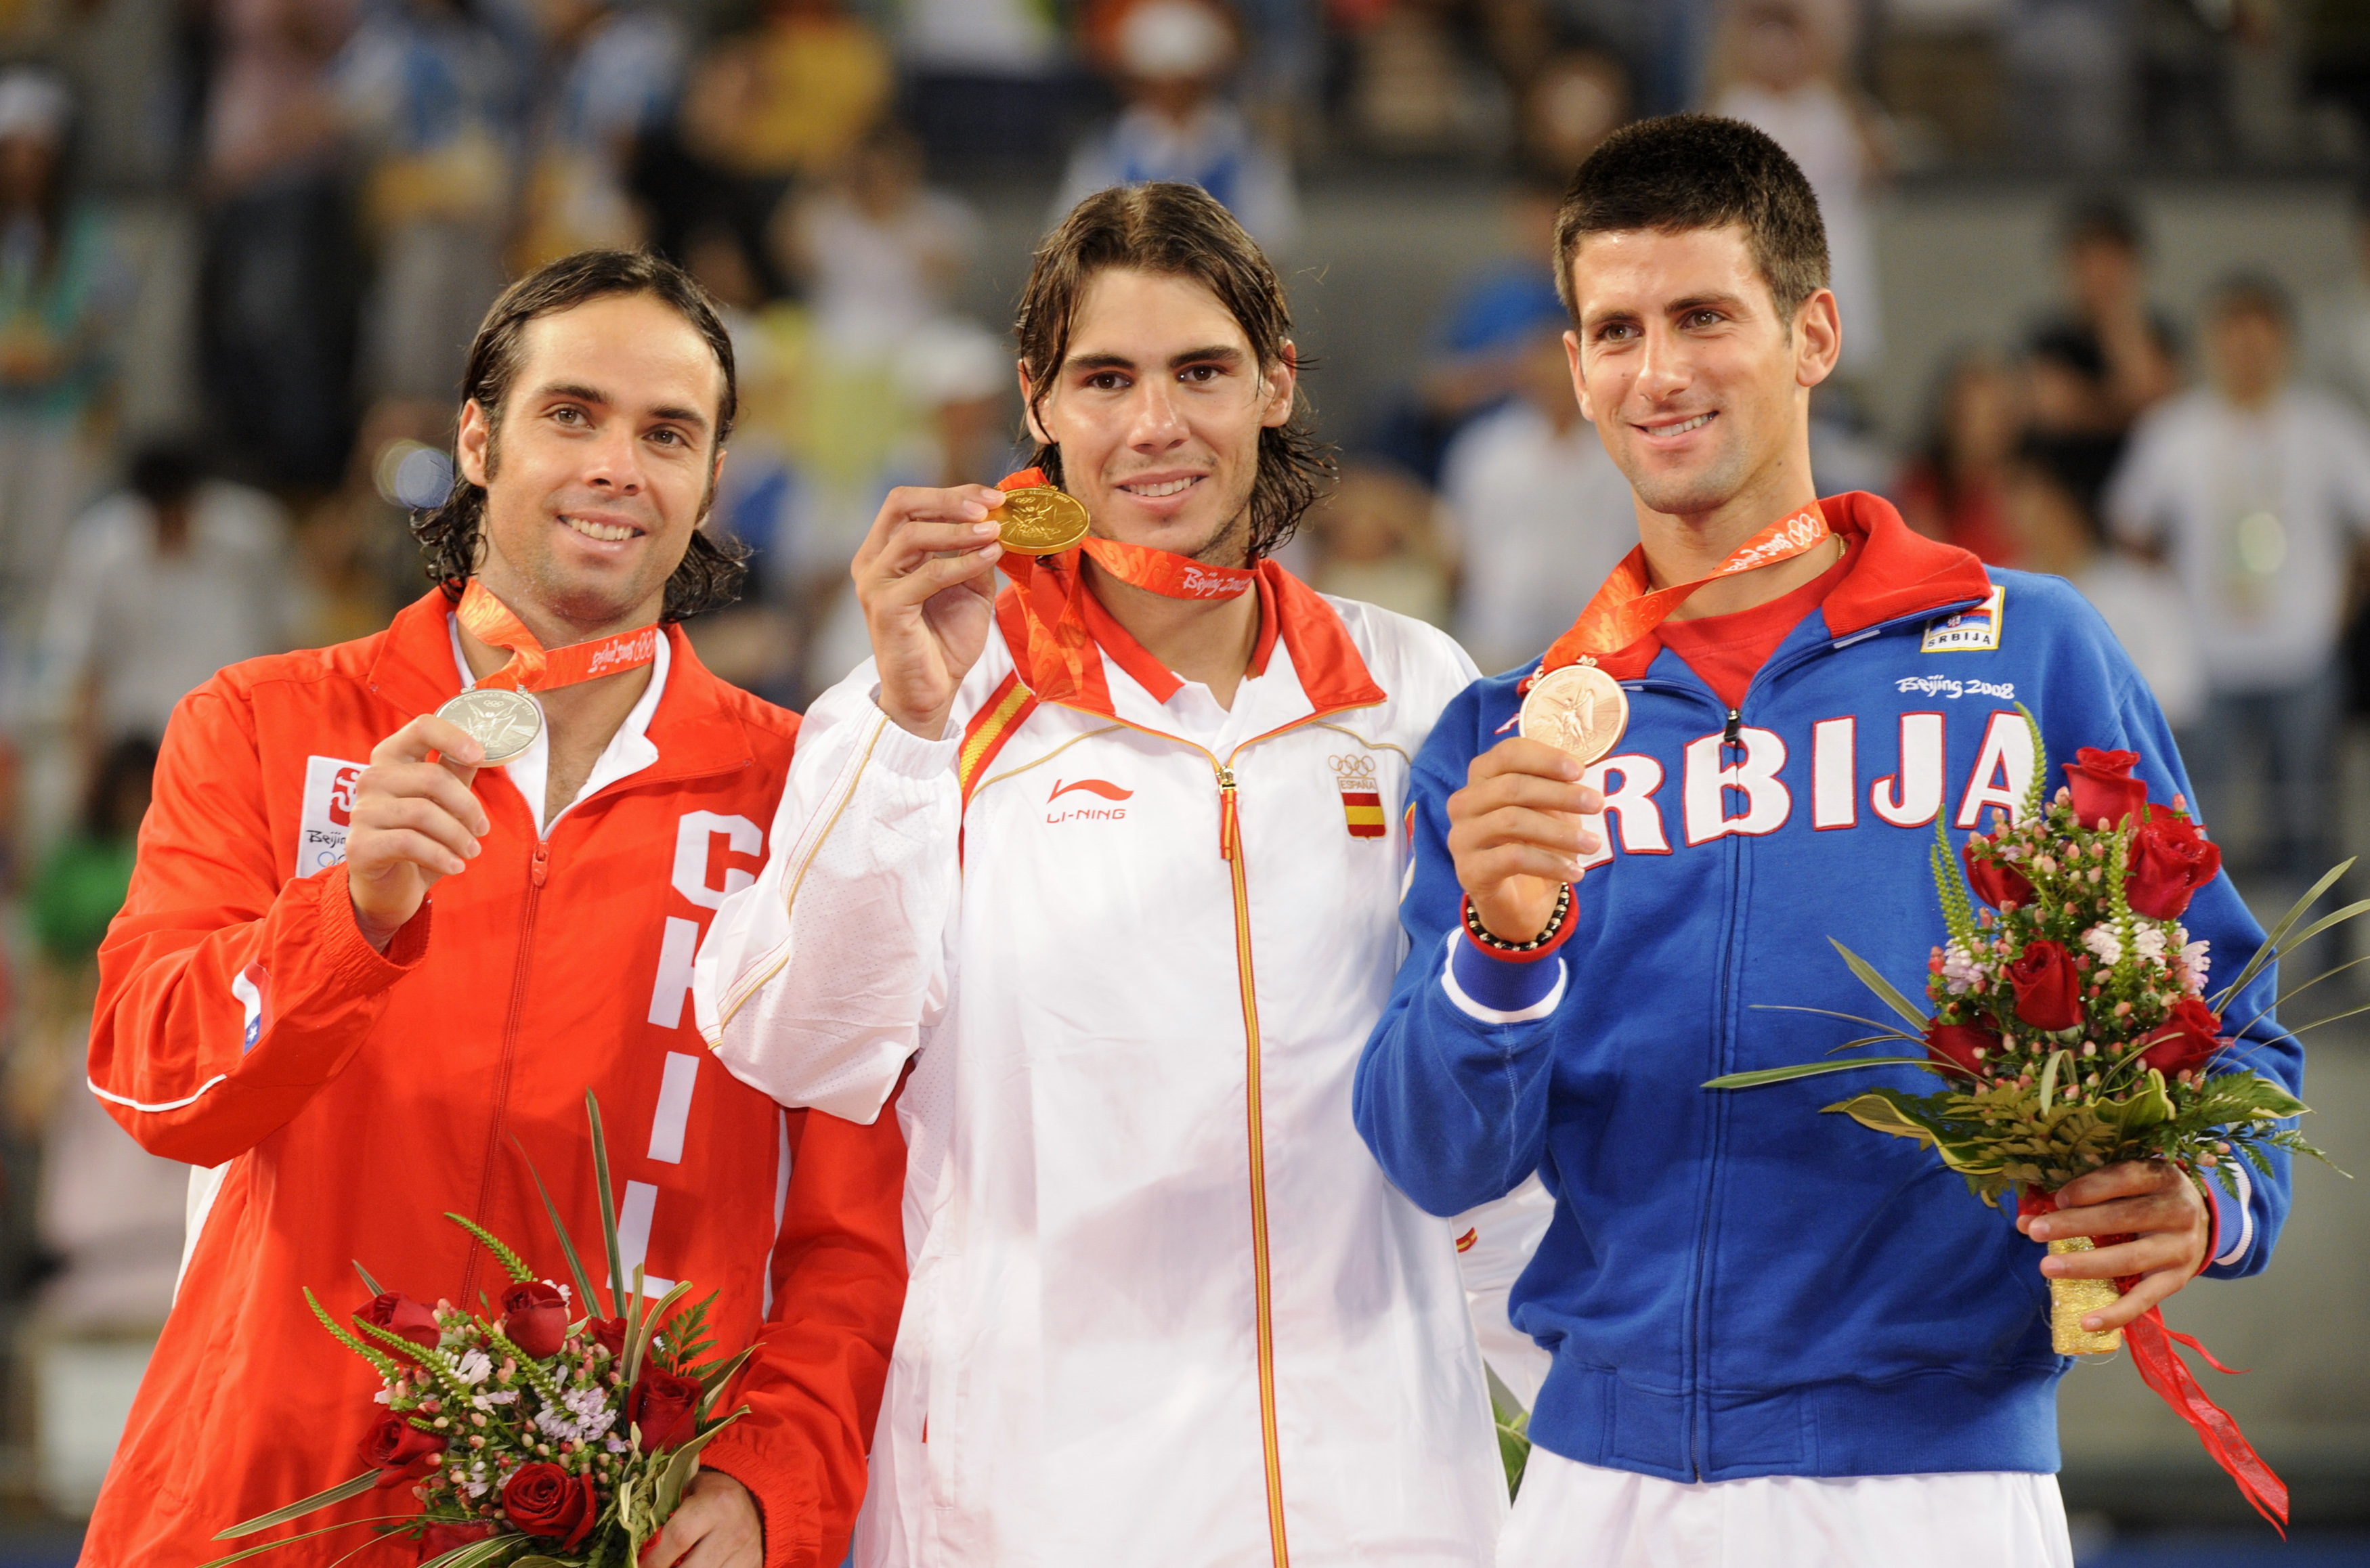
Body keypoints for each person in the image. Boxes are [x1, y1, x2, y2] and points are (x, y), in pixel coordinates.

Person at [1353, 115, 2297, 1568]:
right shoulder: (1513, 738)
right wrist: (1500, 946)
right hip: (1605, 1486)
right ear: (1573, 368)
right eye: (1615, 330)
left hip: (1940, 1482)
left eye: (1702, 317)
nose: (1655, 372)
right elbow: (1432, 1153)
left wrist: (2202, 1202)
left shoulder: (2024, 653)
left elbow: (2236, 1031)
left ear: (1813, 332)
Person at [693, 182, 1509, 1565]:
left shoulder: (1412, 691)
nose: (1153, 426)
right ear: (1037, 400)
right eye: (1105, 378)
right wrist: (901, 730)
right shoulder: (929, 698)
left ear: (1275, 382)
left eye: (1200, 371)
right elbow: (796, 1041)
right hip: (1043, 1490)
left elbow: (1485, 1098)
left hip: (1378, 1478)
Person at [81, 251, 909, 1567]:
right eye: (570, 414)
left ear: (709, 481)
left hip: (605, 1528)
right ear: (477, 438)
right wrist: (346, 912)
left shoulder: (804, 798)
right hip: (259, 1507)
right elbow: (150, 1084)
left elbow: (852, 1240)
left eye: (666, 434)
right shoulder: (262, 726)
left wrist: (767, 1484)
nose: (615, 468)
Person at [2105, 272, 2370, 884]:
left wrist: (2344, 606)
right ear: (2212, 343)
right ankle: (2210, 966)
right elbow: (2129, 523)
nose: (2247, 352)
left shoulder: (2326, 426)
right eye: (2233, 337)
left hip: (2304, 652)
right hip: (2207, 656)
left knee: (2309, 820)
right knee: (2199, 824)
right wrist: (2169, 600)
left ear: (2284, 343)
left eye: (2260, 337)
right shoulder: (2175, 429)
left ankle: (2327, 964)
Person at [38, 444, 299, 756]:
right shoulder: (98, 548)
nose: (169, 524)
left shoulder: (253, 534)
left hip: (235, 727)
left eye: (177, 512)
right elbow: (84, 659)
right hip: (137, 739)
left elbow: (288, 636)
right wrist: (87, 754)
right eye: (159, 515)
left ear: (196, 499)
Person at [1438, 296, 1637, 675]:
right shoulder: (1484, 449)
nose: (1550, 373)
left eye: (1560, 361)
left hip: (1605, 642)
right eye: (1539, 358)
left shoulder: (1625, 445)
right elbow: (1457, 550)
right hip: (1501, 639)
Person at [1055, 0, 1299, 251]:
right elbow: (1074, 238)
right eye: (1159, 81)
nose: (1171, 93)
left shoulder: (1243, 148)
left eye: (1184, 82)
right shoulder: (1110, 148)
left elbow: (1272, 241)